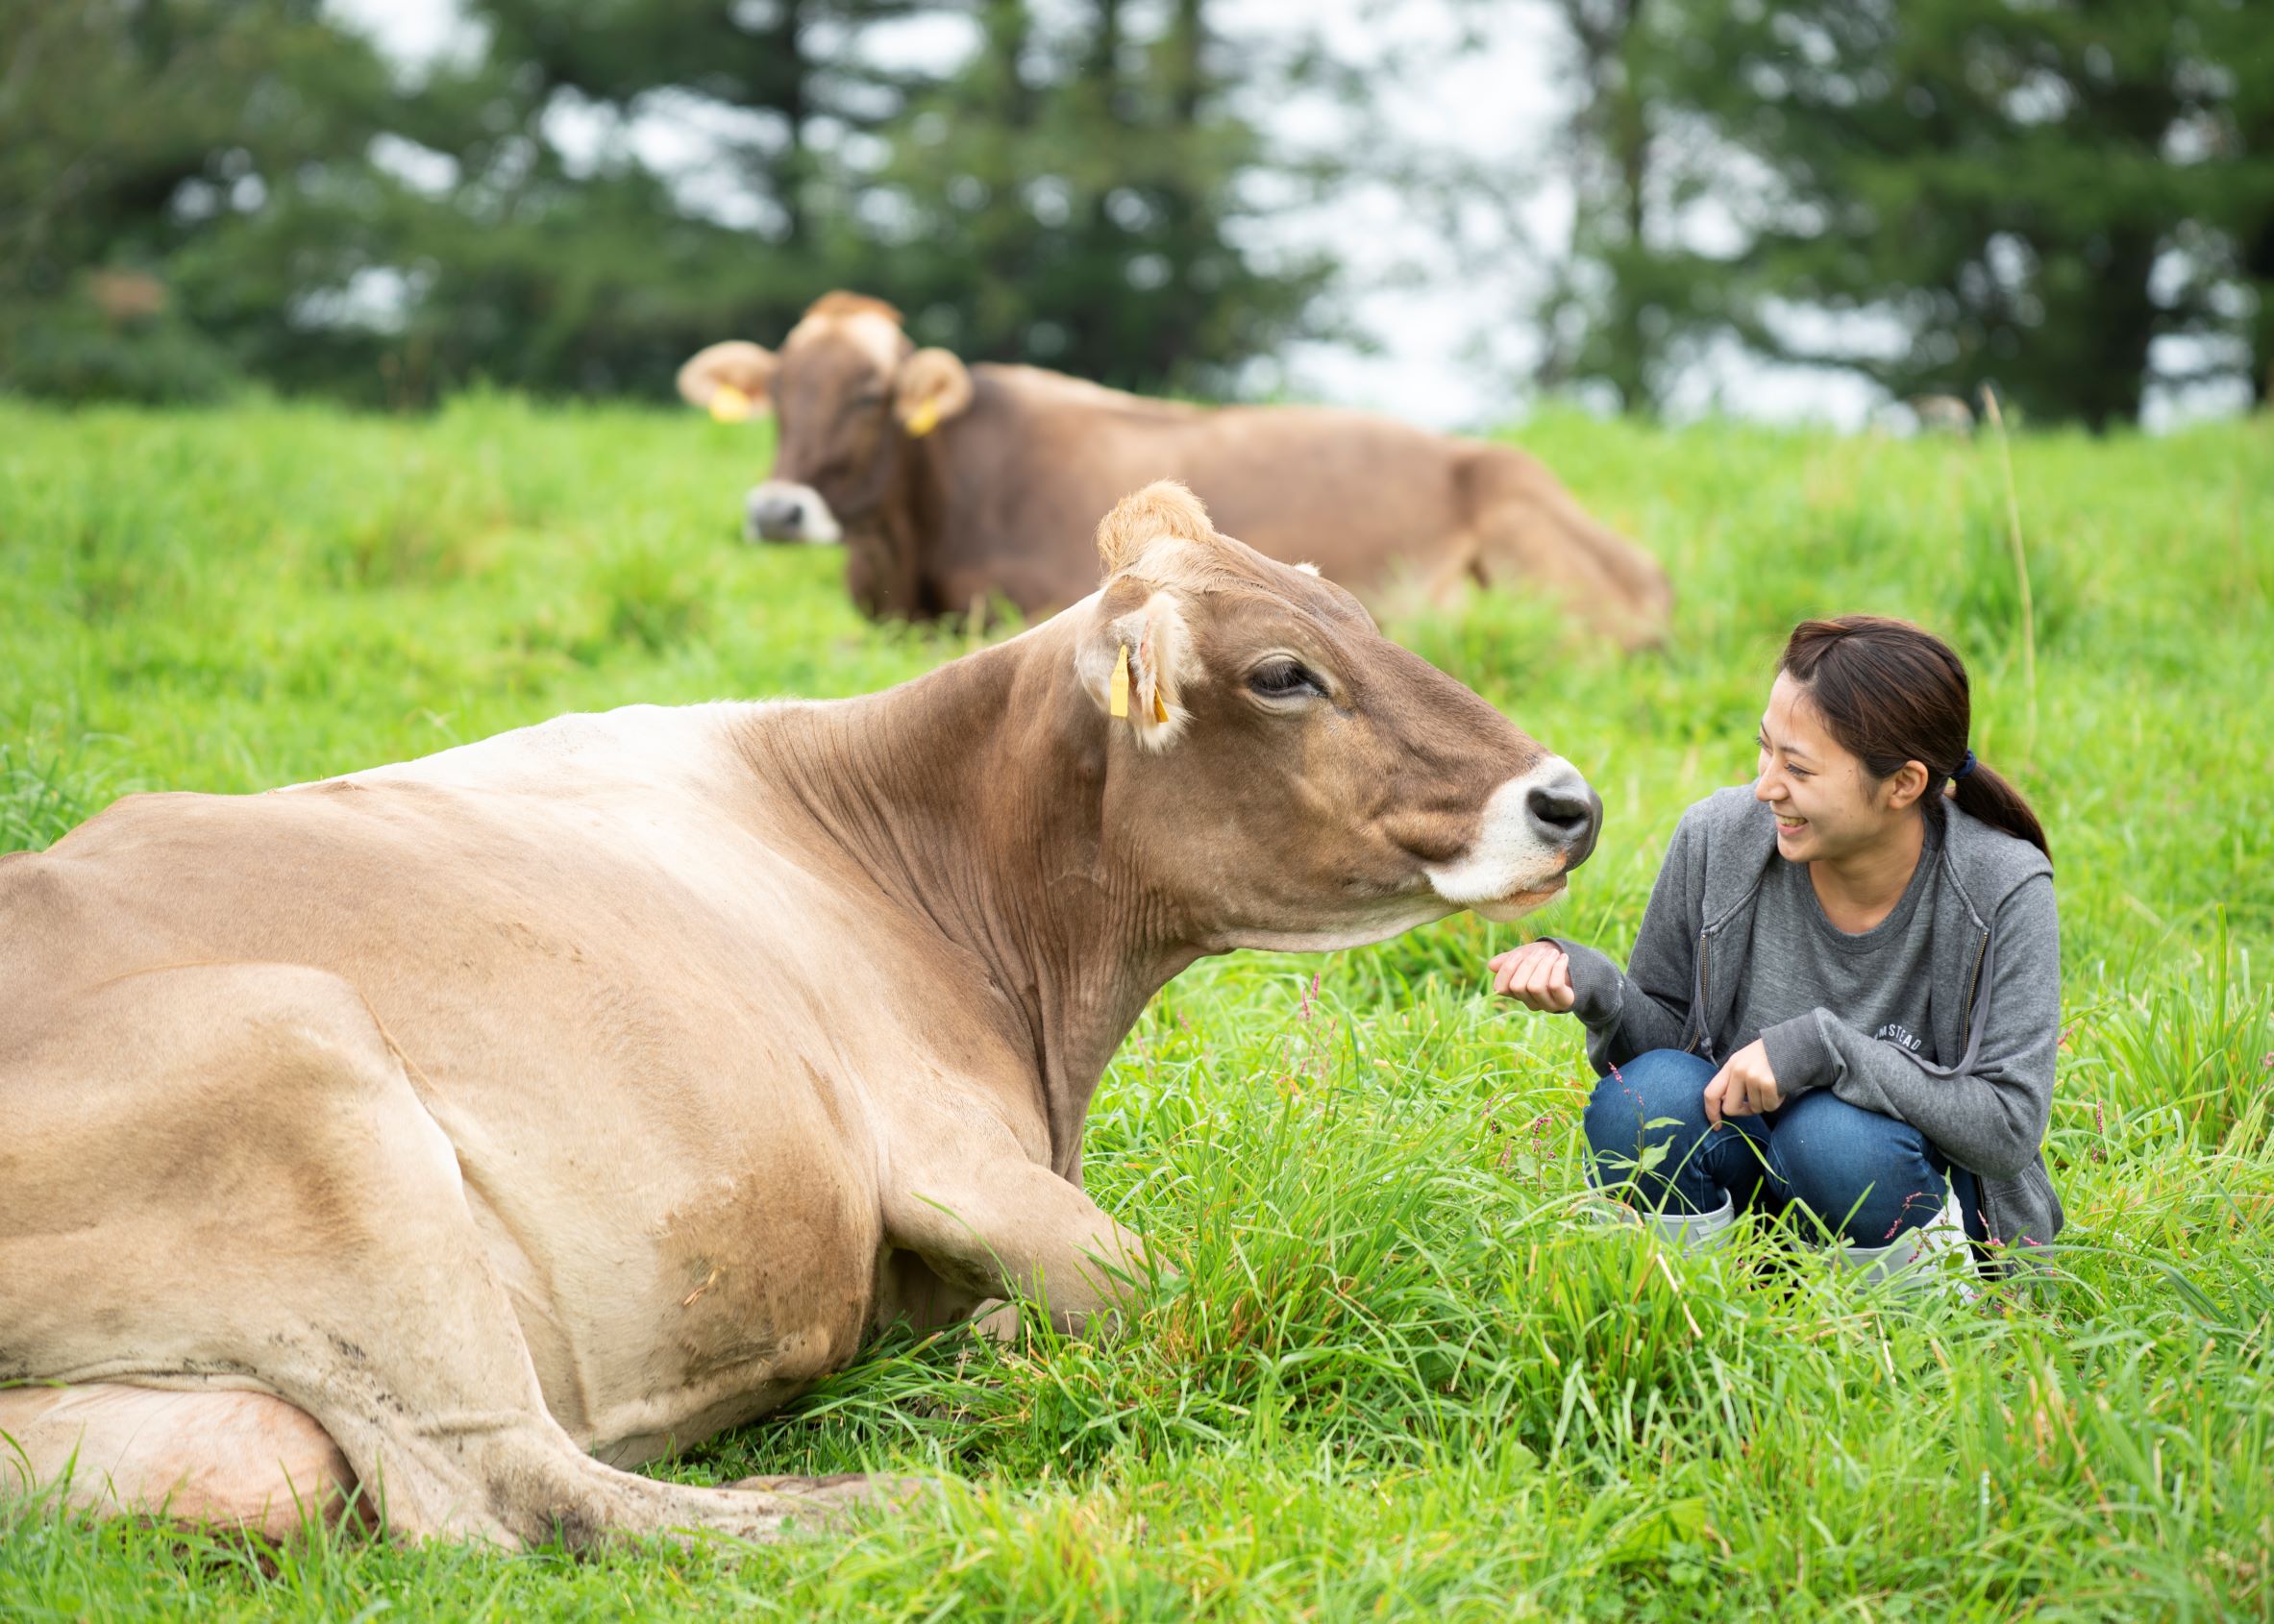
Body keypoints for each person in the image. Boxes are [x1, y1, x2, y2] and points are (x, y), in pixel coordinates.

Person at [1489, 616, 2061, 1278]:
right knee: (1639, 1106)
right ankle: (1704, 1309)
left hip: (1895, 1184)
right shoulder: (1718, 836)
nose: (1766, 786)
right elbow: (1667, 1059)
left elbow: (2009, 1125)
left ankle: (1906, 1327)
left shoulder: (2001, 886)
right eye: (1766, 750)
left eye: (1799, 768)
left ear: (1903, 784)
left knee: (1835, 1140)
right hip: (1746, 1168)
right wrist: (1598, 989)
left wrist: (1824, 1051)